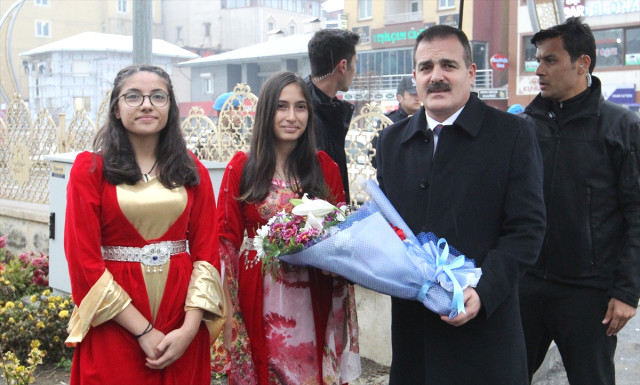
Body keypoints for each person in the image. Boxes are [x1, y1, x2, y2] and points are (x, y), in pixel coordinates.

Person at [375, 25, 546, 384]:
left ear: (470, 73)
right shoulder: (391, 143)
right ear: (414, 77)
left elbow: (527, 230)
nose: (436, 76)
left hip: (485, 335)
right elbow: (387, 228)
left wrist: (482, 292)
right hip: (414, 337)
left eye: (448, 65)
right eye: (426, 67)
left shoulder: (512, 134)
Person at [63, 65, 225, 385]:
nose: (147, 104)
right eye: (134, 96)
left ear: (171, 107)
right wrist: (144, 331)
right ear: (116, 108)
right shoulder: (90, 170)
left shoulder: (193, 172)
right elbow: (84, 262)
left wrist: (189, 330)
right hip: (114, 317)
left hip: (181, 315)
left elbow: (207, 257)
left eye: (158, 96)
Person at [216, 71, 360, 385]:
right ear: (267, 112)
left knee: (308, 371)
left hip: (312, 289)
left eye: (300, 107)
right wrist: (227, 307)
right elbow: (225, 240)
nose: (291, 116)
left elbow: (339, 233)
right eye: (282, 107)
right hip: (258, 288)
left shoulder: (325, 167)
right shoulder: (242, 167)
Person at [519, 17, 640, 385]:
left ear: (582, 63)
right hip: (525, 285)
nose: (539, 69)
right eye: (537, 59)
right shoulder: (525, 125)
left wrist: (626, 292)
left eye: (550, 60)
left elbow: (637, 213)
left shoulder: (622, 128)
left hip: (590, 295)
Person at [306, 29, 360, 202]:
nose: (355, 71)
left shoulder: (327, 106)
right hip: (310, 221)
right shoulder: (303, 111)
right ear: (343, 66)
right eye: (355, 63)